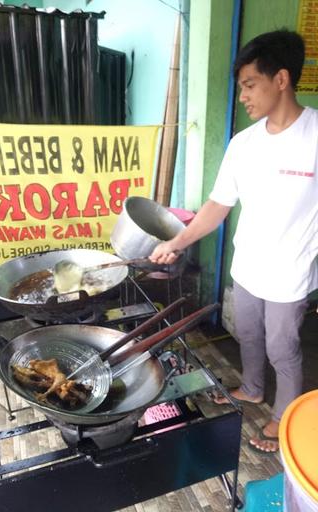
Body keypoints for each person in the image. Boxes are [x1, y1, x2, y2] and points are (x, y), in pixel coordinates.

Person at [149, 29, 318, 455]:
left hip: (291, 272)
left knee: (284, 347)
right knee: (248, 335)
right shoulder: (244, 144)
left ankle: (285, 413)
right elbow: (217, 205)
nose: (243, 96)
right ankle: (253, 389)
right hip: (247, 267)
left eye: (249, 85)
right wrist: (177, 240)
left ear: (281, 80)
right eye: (240, 87)